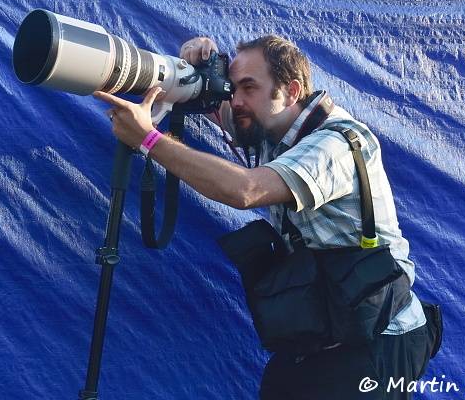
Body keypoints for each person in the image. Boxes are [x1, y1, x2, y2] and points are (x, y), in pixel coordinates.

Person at [93, 35, 440, 399]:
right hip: (330, 326)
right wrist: (194, 66)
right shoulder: (269, 126)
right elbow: (215, 102)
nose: (235, 101)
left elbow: (245, 190)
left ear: (290, 91)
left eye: (248, 87)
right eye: (233, 88)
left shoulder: (335, 143)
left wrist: (149, 139)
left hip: (381, 334)